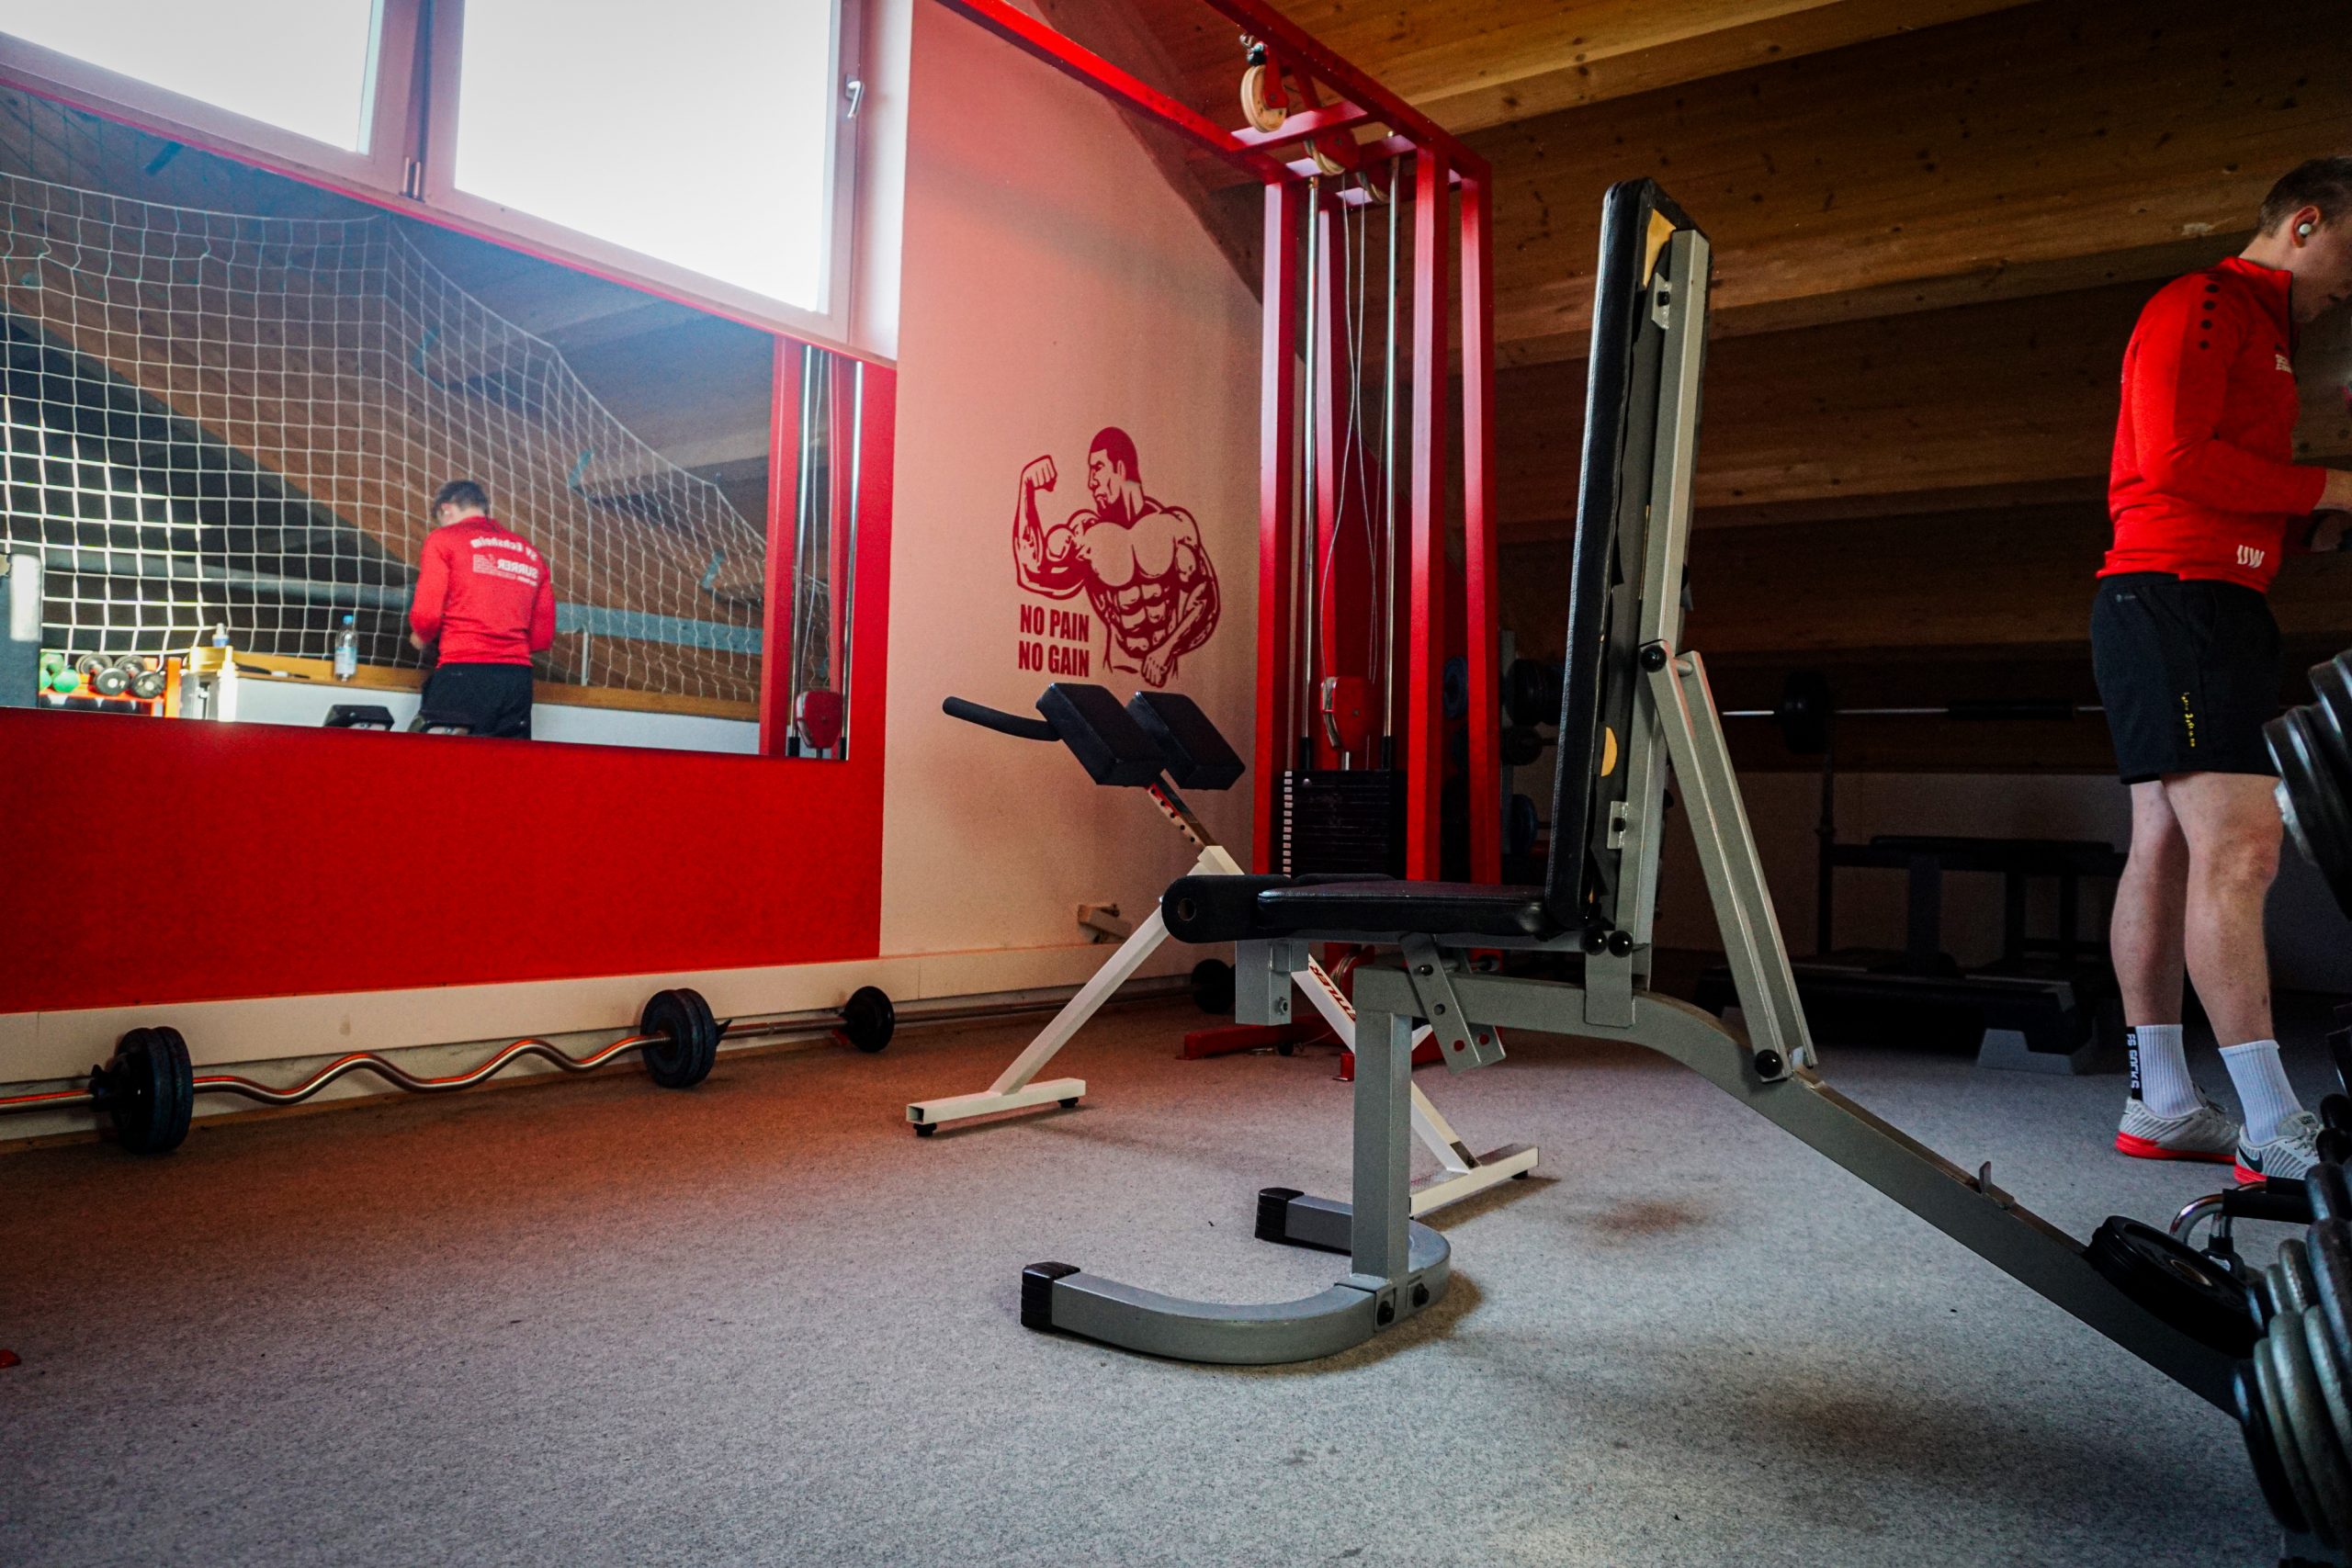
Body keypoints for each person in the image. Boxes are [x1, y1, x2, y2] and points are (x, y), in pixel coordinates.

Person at [2096, 157, 2352, 1181]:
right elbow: (2172, 460)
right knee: (2243, 847)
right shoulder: (2205, 302)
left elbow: (2226, 485)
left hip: (2202, 599)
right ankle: (2270, 1122)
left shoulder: (2266, 333)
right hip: (2177, 598)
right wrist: (2334, 484)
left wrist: (2311, 521)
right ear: (2305, 222)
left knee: (2165, 846)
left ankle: (2161, 1102)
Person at [1013, 427, 1219, 689]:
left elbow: (1206, 599)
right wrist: (1027, 490)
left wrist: (1167, 649)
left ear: (1120, 469)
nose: (1091, 482)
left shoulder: (1172, 527)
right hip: (1114, 673)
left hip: (1166, 685)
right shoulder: (1089, 535)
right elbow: (1033, 573)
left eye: (1097, 468)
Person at [407, 479, 555, 739]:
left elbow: (426, 615)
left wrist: (421, 635)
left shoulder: (444, 539)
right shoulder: (530, 553)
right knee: (504, 761)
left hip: (464, 670)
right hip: (517, 680)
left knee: (437, 760)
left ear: (446, 509)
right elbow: (542, 636)